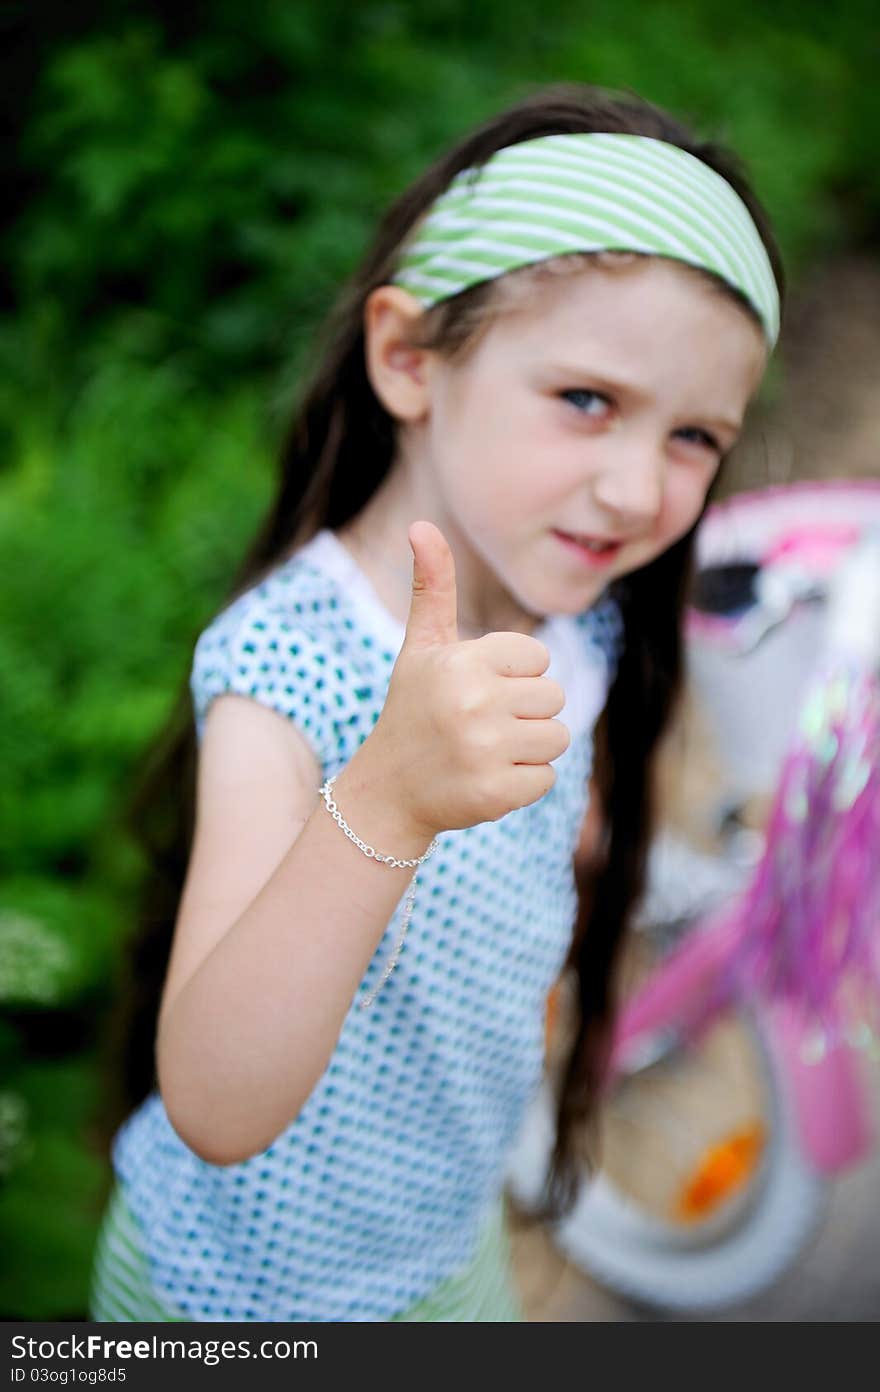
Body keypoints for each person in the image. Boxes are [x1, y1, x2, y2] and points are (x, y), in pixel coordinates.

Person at [87, 82, 784, 1322]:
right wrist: (389, 802)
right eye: (586, 401)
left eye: (694, 436)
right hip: (245, 1296)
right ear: (409, 358)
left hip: (444, 1248)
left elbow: (529, 833)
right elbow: (215, 1099)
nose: (637, 490)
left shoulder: (576, 616)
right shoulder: (289, 666)